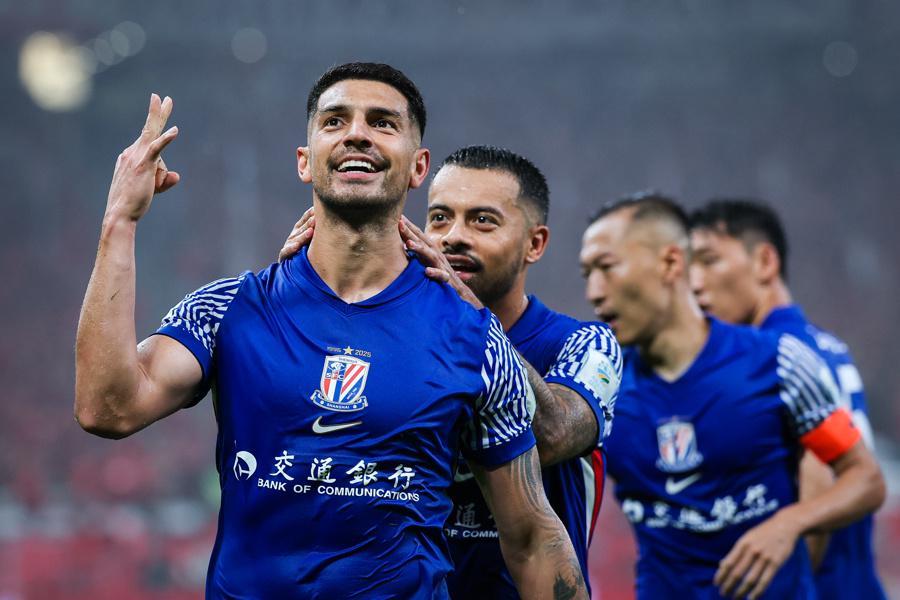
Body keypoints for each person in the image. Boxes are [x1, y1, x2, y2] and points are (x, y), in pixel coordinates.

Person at [74, 63, 588, 599]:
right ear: (305, 161)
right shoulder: (229, 310)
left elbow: (532, 540)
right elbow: (107, 408)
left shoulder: (475, 340)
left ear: (418, 167)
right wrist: (120, 221)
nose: (357, 134)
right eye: (335, 121)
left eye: (383, 123)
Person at [281, 145, 622, 598]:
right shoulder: (393, 344)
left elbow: (554, 433)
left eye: (483, 221)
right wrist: (296, 297)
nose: (453, 237)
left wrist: (473, 320)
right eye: (440, 218)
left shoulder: (586, 346)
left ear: (534, 244)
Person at [580, 192, 885, 599]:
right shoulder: (602, 384)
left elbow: (854, 477)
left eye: (607, 267)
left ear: (669, 263)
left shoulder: (780, 359)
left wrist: (786, 530)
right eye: (587, 273)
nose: (594, 292)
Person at [688, 198, 885, 600]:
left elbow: (818, 477)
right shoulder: (824, 345)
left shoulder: (774, 357)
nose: (695, 282)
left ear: (765, 262)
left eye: (709, 260)